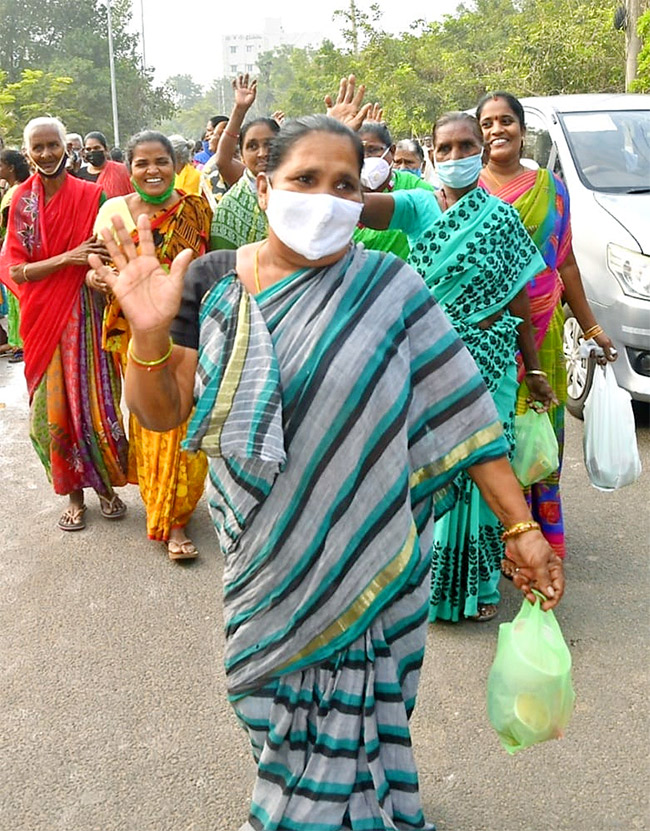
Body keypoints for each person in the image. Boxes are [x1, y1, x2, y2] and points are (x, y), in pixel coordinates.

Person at [90, 114, 564, 831]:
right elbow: (160, 414)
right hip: (268, 562)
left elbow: (463, 412)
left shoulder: (391, 286)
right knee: (267, 708)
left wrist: (521, 525)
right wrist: (149, 334)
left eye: (344, 183)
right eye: (304, 179)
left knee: (370, 713)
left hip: (379, 556)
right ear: (264, 183)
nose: (326, 197)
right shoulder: (216, 280)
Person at [360, 111, 556, 623]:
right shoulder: (417, 206)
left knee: (487, 462)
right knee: (430, 463)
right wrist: (349, 154)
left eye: (465, 146)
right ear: (430, 153)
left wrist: (533, 368)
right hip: (429, 357)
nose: (454, 157)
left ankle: (481, 583)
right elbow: (349, 208)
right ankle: (421, 577)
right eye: (443, 149)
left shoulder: (503, 219)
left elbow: (518, 301)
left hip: (491, 359)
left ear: (481, 150)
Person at [476, 91, 617, 559]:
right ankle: (493, 540)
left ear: (522, 128)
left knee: (538, 437)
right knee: (490, 437)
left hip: (543, 329)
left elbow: (566, 263)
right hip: (487, 338)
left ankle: (540, 535)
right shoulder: (466, 193)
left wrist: (593, 329)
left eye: (506, 121)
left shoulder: (552, 189)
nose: (498, 130)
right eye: (489, 122)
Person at [0, 116, 129, 530]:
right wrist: (66, 259)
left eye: (52, 145)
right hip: (42, 322)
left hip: (89, 316)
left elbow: (102, 255)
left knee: (93, 406)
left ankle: (105, 487)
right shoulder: (21, 201)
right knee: (51, 414)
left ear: (65, 146)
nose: (46, 154)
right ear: (27, 153)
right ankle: (73, 494)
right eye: (37, 148)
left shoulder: (93, 197)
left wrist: (90, 269)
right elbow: (15, 269)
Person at [89, 130, 211, 560]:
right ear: (130, 168)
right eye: (142, 163)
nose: (152, 170)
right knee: (155, 421)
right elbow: (96, 268)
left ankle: (179, 508)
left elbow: (209, 261)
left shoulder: (195, 208)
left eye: (160, 161)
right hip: (136, 330)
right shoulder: (114, 212)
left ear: (175, 164)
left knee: (188, 419)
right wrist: (104, 282)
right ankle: (168, 517)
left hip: (191, 326)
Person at [210, 74, 279, 249]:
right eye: (252, 146)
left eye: (270, 144)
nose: (262, 153)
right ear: (241, 155)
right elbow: (222, 161)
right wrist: (239, 110)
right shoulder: (231, 206)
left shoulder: (302, 187)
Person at [353, 121, 434, 260]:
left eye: (372, 150)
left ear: (391, 151)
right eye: (359, 151)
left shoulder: (415, 187)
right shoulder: (341, 195)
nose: (365, 158)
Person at [0, 148, 31, 362]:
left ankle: (23, 344)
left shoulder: (17, 192)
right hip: (9, 250)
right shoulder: (14, 189)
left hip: (14, 252)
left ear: (11, 167)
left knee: (18, 299)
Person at [75, 131, 134, 198]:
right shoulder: (80, 175)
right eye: (88, 149)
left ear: (106, 149)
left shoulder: (121, 170)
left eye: (96, 148)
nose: (92, 151)